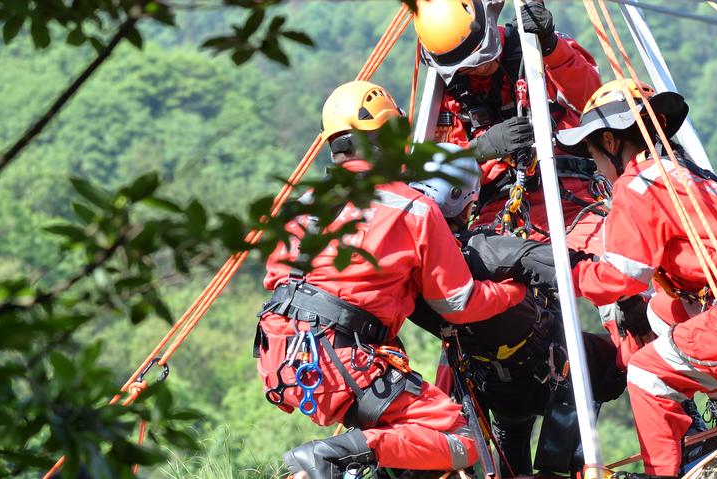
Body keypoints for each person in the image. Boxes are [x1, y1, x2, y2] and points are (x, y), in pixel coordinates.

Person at [255, 80, 527, 478]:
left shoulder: (302, 205)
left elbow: (277, 280)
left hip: (280, 355)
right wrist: (511, 292)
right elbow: (457, 303)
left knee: (407, 443)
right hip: (338, 357)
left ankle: (327, 464)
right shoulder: (414, 209)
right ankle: (329, 458)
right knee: (457, 440)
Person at [407, 144, 625, 478]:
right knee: (611, 357)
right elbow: (555, 265)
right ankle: (560, 468)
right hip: (545, 370)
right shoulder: (483, 252)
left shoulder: (408, 275)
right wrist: (626, 291)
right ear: (463, 199)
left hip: (492, 384)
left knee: (512, 429)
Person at [556, 78, 717, 479]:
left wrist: (568, 271)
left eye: (594, 154)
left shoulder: (638, 182)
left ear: (611, 143)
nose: (597, 167)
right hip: (707, 297)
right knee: (658, 315)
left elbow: (622, 277)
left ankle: (664, 472)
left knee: (645, 371)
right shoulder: (686, 172)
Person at [413, 0, 607, 254]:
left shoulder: (535, 46)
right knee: (482, 272)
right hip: (500, 211)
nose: (480, 67)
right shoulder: (450, 95)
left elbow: (593, 101)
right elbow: (437, 181)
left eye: (482, 55)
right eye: (469, 65)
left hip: (573, 196)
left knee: (604, 263)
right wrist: (479, 149)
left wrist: (552, 48)